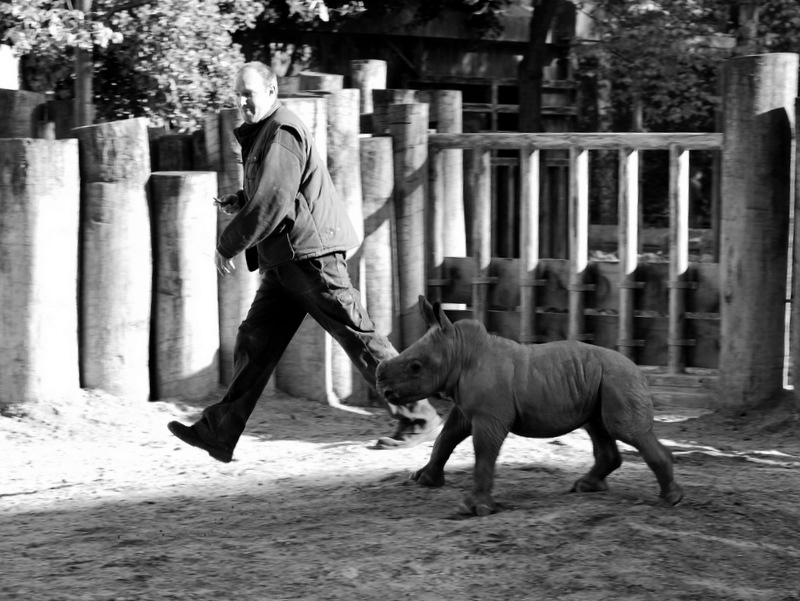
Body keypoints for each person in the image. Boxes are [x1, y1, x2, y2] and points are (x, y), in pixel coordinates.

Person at [167, 61, 443, 462]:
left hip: (311, 258)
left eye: (250, 93)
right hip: (285, 261)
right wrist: (240, 201)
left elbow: (274, 200)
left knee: (358, 336)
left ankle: (419, 416)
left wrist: (228, 244)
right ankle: (219, 431)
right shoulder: (265, 132)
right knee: (254, 342)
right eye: (238, 94)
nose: (243, 101)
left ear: (272, 92)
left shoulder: (281, 131)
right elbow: (275, 193)